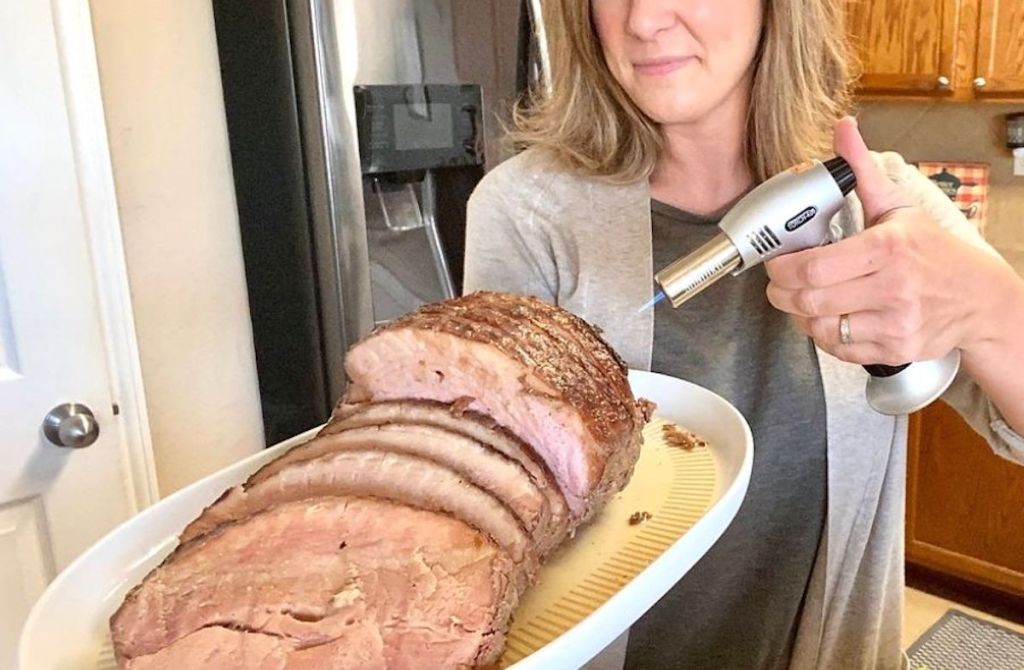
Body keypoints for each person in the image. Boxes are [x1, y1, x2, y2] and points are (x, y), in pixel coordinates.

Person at [462, 0, 1024, 668]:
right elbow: (494, 503)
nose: (642, 20)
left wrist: (988, 307)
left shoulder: (882, 203)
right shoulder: (526, 214)